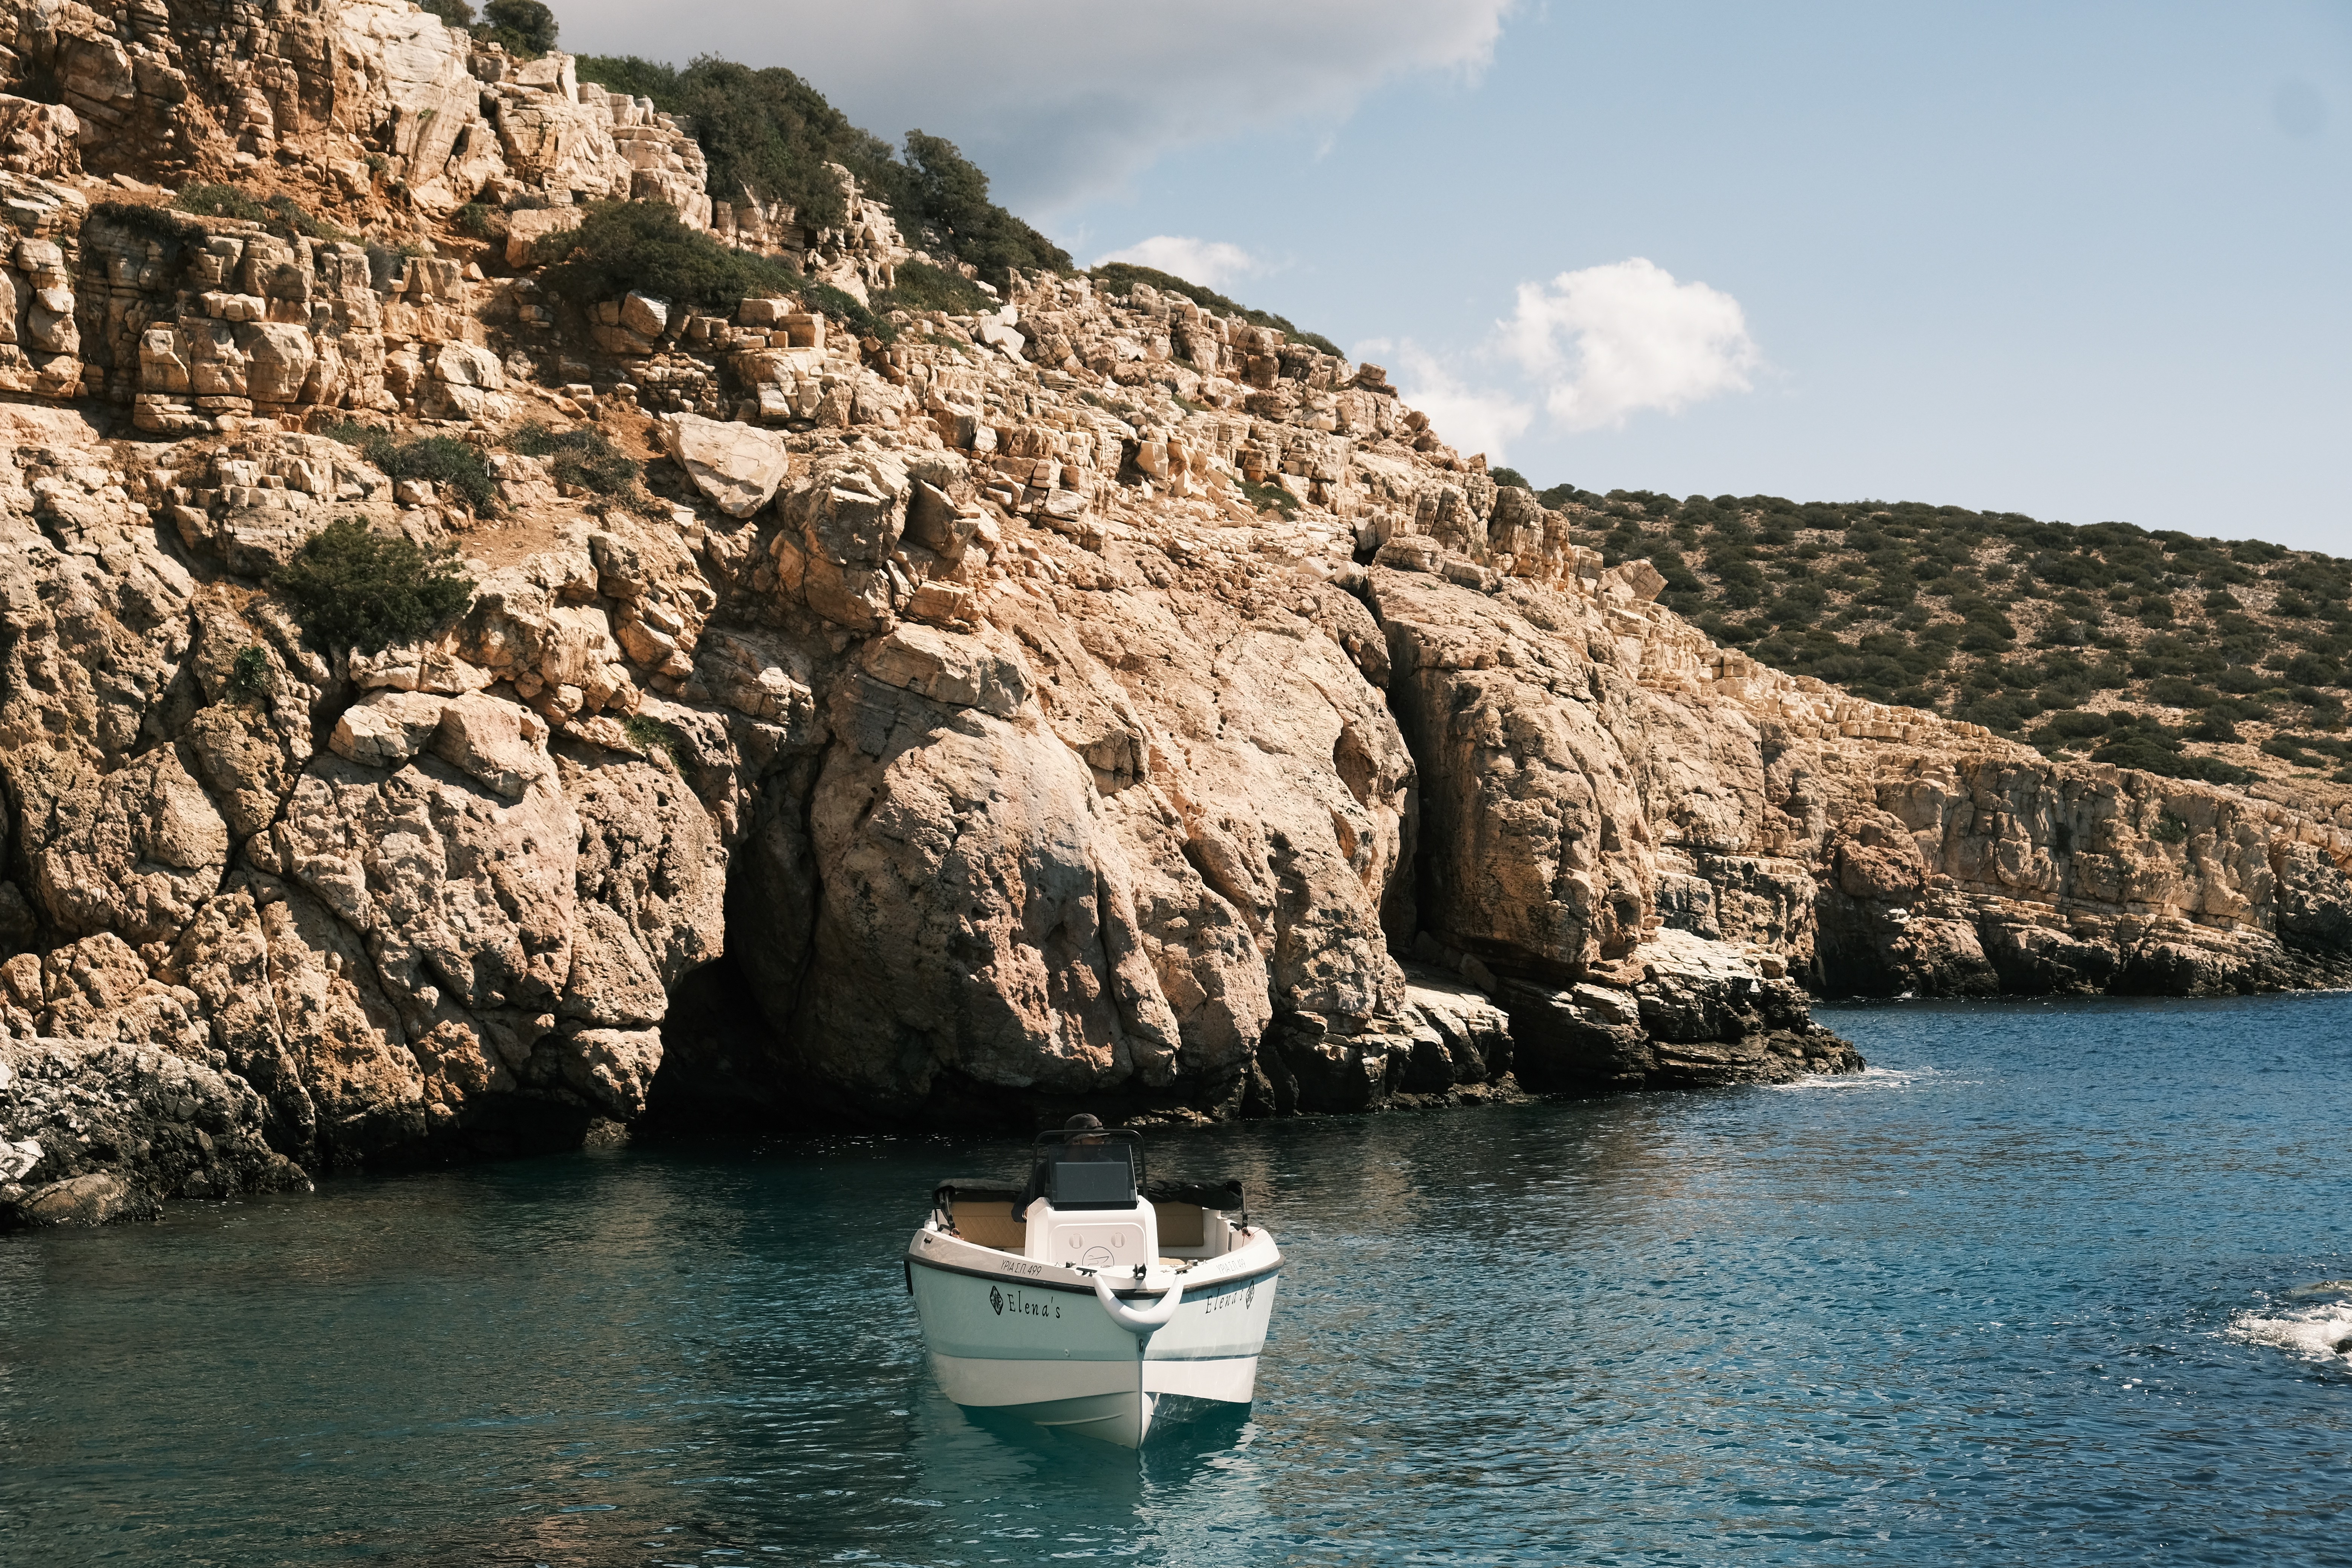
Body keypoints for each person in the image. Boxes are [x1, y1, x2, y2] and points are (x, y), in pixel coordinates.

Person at [1012, 1114, 1117, 1221]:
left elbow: (1118, 1204)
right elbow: (1018, 1210)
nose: (1102, 1142)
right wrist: (1029, 1213)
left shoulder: (1107, 1165)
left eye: (1102, 1137)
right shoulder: (1046, 1170)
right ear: (1076, 1141)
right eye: (1095, 1137)